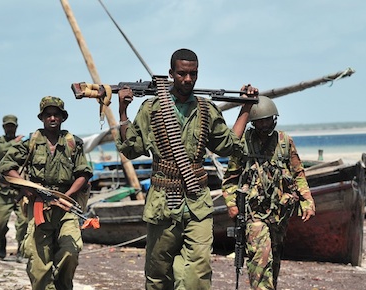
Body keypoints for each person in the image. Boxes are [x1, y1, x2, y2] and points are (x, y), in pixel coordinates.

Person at [115, 48, 257, 289]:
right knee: (158, 273)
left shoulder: (205, 109)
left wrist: (246, 107)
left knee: (198, 272)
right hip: (162, 201)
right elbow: (131, 149)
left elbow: (228, 146)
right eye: (182, 74)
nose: (188, 79)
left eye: (193, 74)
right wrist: (123, 111)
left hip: (197, 200)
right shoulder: (152, 109)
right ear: (171, 74)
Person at [222, 96, 316, 290]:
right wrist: (231, 204)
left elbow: (298, 173)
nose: (265, 124)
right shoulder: (243, 143)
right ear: (253, 122)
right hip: (253, 214)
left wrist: (307, 200)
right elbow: (230, 178)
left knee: (273, 262)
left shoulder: (284, 142)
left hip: (278, 213)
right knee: (260, 260)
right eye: (261, 120)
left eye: (268, 119)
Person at [0, 96, 92, 290]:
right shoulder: (31, 141)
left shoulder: (73, 142)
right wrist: (26, 187)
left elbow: (84, 173)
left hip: (66, 205)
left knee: (70, 252)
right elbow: (6, 166)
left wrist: (68, 196)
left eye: (56, 114)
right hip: (39, 205)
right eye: (48, 115)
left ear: (62, 118)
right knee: (38, 262)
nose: (52, 118)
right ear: (42, 117)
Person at [0, 114, 28, 262]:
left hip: (19, 188)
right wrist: (16, 142)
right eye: (7, 126)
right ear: (3, 127)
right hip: (2, 189)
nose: (10, 128)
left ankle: (20, 250)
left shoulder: (22, 142)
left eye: (12, 126)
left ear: (16, 127)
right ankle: (1, 239)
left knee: (24, 221)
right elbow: (1, 151)